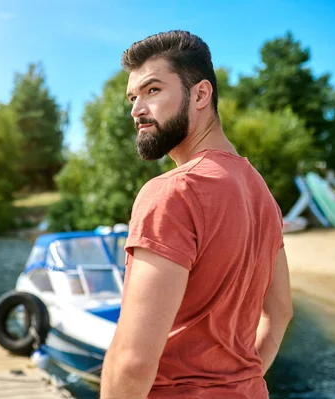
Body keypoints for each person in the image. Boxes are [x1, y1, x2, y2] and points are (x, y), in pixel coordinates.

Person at [100, 30, 293, 399]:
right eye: (133, 96)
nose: (136, 109)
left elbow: (133, 361)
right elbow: (280, 312)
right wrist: (236, 382)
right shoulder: (262, 194)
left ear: (201, 94)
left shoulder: (172, 191)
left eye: (153, 91)